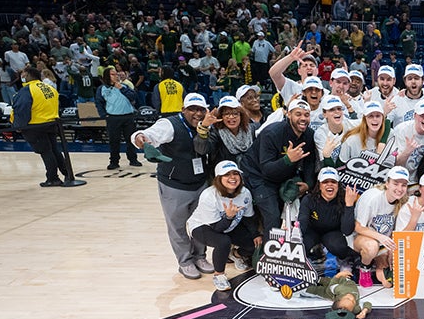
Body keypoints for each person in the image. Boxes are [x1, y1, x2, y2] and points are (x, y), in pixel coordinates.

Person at [132, 92, 213, 279]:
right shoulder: (169, 125)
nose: (197, 114)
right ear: (183, 110)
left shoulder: (207, 125)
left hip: (200, 182)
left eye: (201, 109)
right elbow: (147, 134)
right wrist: (141, 138)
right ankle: (185, 261)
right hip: (174, 184)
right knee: (177, 226)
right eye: (192, 109)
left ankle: (200, 256)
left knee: (201, 222)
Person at [240, 97, 317, 237]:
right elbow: (266, 169)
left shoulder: (309, 134)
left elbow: (309, 162)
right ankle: (266, 250)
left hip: (282, 174)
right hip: (258, 175)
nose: (303, 118)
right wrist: (288, 160)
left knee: (287, 214)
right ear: (289, 115)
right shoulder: (272, 133)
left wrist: (308, 184)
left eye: (306, 115)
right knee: (273, 217)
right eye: (298, 114)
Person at [187, 160, 261, 291]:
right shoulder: (209, 195)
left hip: (229, 224)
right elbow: (217, 228)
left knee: (255, 244)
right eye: (227, 174)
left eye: (235, 173)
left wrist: (256, 234)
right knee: (223, 242)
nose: (232, 177)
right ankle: (219, 275)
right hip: (203, 226)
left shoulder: (245, 193)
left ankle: (235, 254)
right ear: (218, 178)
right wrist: (229, 217)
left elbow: (249, 218)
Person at [352, 166, 410, 288]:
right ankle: (365, 268)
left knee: (387, 282)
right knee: (372, 247)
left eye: (403, 185)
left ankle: (378, 262)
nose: (399, 189)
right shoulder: (373, 198)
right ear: (387, 183)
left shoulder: (403, 201)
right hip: (361, 237)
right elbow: (358, 227)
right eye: (396, 184)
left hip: (383, 241)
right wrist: (381, 238)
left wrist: (389, 250)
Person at [10, 66, 67, 187]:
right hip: (51, 122)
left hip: (35, 125)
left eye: (23, 74)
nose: (21, 76)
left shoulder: (27, 90)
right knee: (54, 150)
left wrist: (18, 126)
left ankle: (53, 178)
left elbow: (22, 110)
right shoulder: (49, 88)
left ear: (28, 75)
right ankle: (67, 174)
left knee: (46, 152)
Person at [298, 167, 361, 272]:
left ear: (338, 185)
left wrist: (349, 205)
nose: (329, 184)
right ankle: (315, 255)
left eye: (333, 182)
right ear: (319, 185)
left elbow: (347, 230)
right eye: (325, 182)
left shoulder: (345, 199)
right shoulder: (309, 199)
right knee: (302, 244)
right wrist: (296, 234)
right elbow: (302, 220)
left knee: (338, 246)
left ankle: (344, 260)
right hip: (313, 230)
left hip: (333, 232)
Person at [194, 95, 259, 171]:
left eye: (235, 113)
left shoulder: (253, 129)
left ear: (241, 115)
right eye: (226, 114)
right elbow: (202, 149)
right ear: (220, 117)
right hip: (224, 175)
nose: (231, 117)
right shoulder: (215, 133)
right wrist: (204, 127)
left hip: (252, 174)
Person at [96, 66, 142, 170]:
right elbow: (99, 103)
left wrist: (121, 88)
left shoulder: (124, 86)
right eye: (113, 74)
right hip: (113, 118)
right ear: (107, 76)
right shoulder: (102, 89)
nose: (116, 76)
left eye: (116, 74)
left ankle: (133, 159)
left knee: (131, 139)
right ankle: (114, 161)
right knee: (114, 141)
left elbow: (133, 96)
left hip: (128, 116)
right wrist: (103, 115)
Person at [303, 270, 371, 319]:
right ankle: (316, 280)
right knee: (325, 282)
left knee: (318, 290)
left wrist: (338, 275)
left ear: (339, 299)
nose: (352, 298)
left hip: (333, 289)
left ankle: (304, 289)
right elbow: (367, 303)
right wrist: (364, 311)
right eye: (353, 302)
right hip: (343, 283)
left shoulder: (340, 290)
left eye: (348, 298)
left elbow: (331, 287)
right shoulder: (355, 308)